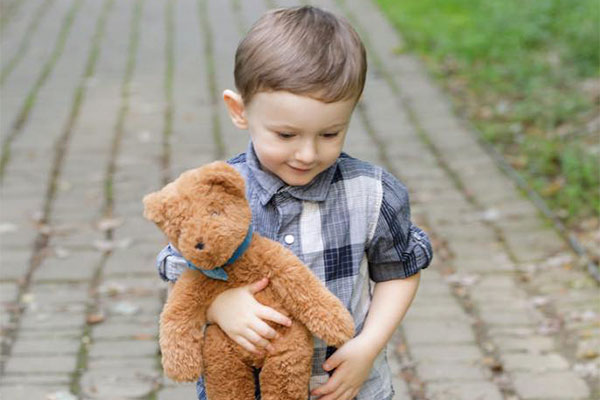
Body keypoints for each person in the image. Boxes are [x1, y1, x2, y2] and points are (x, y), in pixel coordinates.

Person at [156, 6, 433, 400]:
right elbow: (178, 271)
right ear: (239, 111)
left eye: (329, 134)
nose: (306, 154)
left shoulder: (372, 193)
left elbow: (399, 270)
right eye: (285, 135)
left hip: (344, 389)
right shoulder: (215, 194)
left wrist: (367, 347)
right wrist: (217, 306)